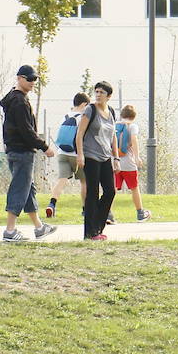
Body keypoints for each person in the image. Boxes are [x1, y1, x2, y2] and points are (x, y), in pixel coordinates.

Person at [0, 65, 58, 242]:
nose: (33, 82)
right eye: (30, 79)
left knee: (28, 189)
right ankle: (10, 231)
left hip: (14, 150)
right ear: (19, 78)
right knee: (19, 188)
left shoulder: (13, 98)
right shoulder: (19, 102)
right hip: (22, 151)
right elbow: (27, 130)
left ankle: (39, 227)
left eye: (35, 79)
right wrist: (44, 146)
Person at [75, 81, 120, 241]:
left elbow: (113, 136)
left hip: (106, 157)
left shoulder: (111, 112)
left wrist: (116, 158)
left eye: (102, 92)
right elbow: (79, 134)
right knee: (92, 193)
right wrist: (80, 155)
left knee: (110, 191)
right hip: (91, 156)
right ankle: (90, 232)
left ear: (109, 96)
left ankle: (97, 227)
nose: (98, 94)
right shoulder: (90, 109)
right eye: (97, 91)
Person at [46, 92, 89, 219]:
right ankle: (85, 209)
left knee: (61, 180)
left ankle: (52, 204)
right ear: (84, 104)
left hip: (62, 153)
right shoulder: (83, 117)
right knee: (84, 181)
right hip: (76, 154)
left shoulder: (64, 116)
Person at [114, 104, 151, 222]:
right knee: (134, 188)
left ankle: (107, 213)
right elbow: (134, 140)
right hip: (129, 164)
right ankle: (140, 213)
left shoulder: (114, 125)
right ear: (134, 116)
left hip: (115, 163)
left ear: (121, 115)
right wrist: (137, 157)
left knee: (112, 189)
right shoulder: (132, 126)